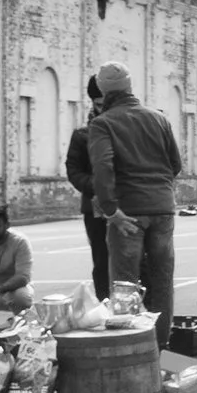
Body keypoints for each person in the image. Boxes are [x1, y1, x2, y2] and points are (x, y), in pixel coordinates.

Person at [87, 61, 183, 315]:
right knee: (162, 282)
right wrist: (158, 189)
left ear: (103, 90)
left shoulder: (103, 123)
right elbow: (175, 164)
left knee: (125, 287)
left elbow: (102, 168)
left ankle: (130, 337)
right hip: (162, 208)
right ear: (129, 86)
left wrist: (110, 209)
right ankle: (161, 337)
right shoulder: (159, 119)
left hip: (127, 212)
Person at [64, 74, 110, 301]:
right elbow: (74, 170)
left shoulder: (126, 129)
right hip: (95, 207)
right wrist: (97, 186)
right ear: (93, 103)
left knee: (136, 259)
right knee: (101, 260)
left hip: (128, 203)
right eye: (99, 105)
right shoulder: (82, 135)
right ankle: (105, 304)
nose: (104, 109)